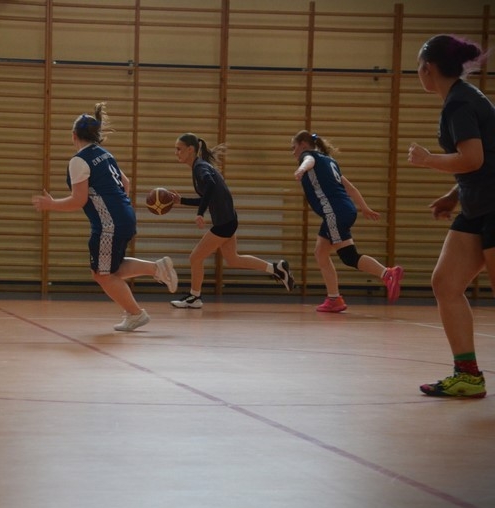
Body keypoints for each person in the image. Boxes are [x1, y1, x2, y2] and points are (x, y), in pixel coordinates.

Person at [31, 102, 177, 331]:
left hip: (109, 224)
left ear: (73, 135)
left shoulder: (79, 161)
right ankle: (156, 269)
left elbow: (78, 200)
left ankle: (136, 314)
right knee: (111, 269)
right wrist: (116, 207)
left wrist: (51, 204)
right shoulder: (105, 154)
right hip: (125, 216)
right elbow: (125, 183)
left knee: (102, 274)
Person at [407, 34, 494, 398]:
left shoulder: (460, 103)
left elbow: (473, 158)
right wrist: (453, 195)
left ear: (428, 68)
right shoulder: (462, 98)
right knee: (446, 283)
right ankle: (468, 375)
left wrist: (428, 160)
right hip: (478, 206)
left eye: (418, 66)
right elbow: (483, 161)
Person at [168, 133, 294, 309]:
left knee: (195, 257)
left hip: (224, 223)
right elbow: (208, 197)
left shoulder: (200, 168)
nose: (176, 152)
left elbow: (210, 185)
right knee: (233, 259)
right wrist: (182, 201)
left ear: (190, 149)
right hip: (228, 220)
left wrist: (200, 213)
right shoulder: (200, 166)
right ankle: (276, 268)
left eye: (179, 149)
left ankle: (195, 297)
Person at [291, 130, 403, 312]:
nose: (293, 152)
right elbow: (350, 188)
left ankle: (387, 274)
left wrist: (302, 169)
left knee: (348, 256)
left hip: (334, 212)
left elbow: (308, 160)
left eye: (294, 147)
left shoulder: (309, 156)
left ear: (303, 145)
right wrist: (364, 207)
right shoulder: (329, 161)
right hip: (344, 210)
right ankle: (334, 298)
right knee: (321, 253)